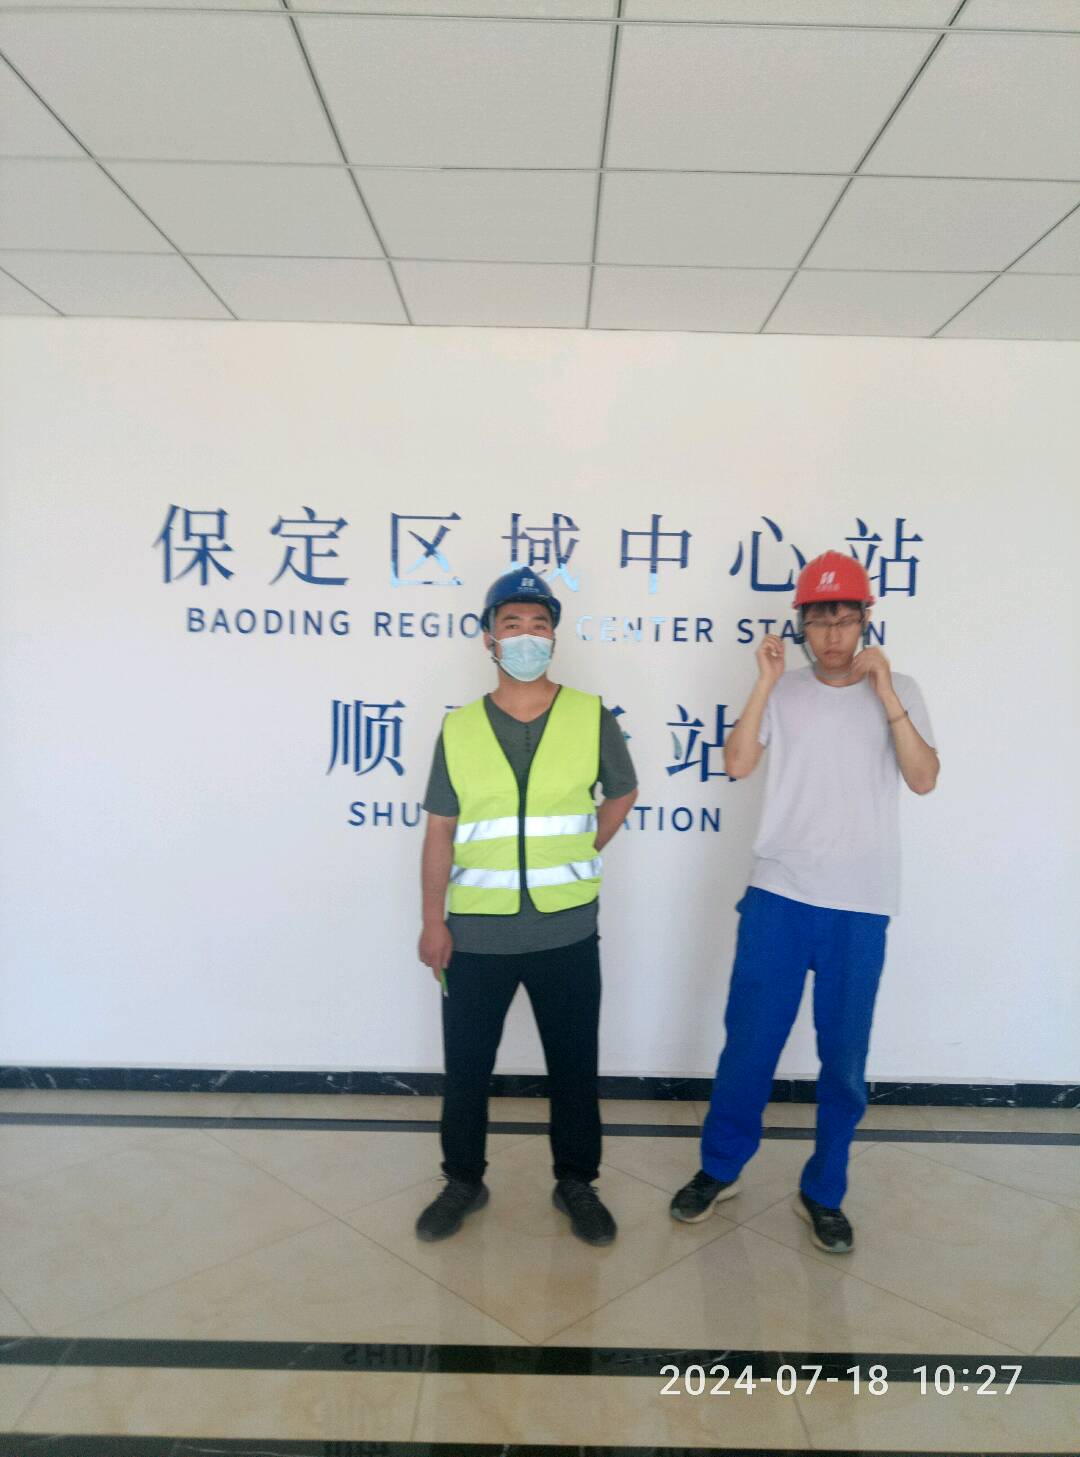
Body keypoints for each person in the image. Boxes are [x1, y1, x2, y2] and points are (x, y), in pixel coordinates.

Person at [671, 551, 938, 1253]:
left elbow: (923, 778)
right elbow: (736, 763)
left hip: (861, 903)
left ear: (866, 620)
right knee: (749, 1046)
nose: (832, 635)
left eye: (845, 619)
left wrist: (886, 694)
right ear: (801, 626)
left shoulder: (900, 689)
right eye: (819, 620)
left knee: (843, 1061)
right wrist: (763, 683)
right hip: (779, 896)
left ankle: (824, 1190)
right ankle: (720, 1167)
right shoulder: (784, 691)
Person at [415, 567, 638, 1246]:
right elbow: (440, 831)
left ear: (554, 638)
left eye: (539, 625)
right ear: (489, 639)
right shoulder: (459, 728)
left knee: (574, 1067)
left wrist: (581, 848)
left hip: (565, 929)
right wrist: (432, 921)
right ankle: (462, 1179)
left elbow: (623, 792)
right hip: (474, 935)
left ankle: (577, 1182)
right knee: (467, 1069)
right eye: (512, 624)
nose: (526, 637)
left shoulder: (589, 714)